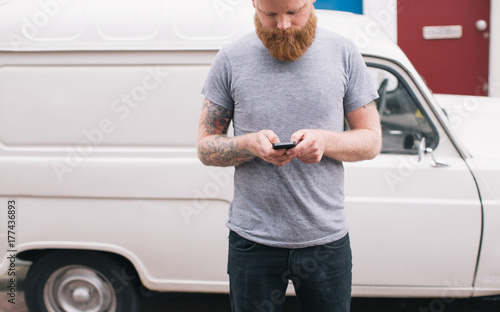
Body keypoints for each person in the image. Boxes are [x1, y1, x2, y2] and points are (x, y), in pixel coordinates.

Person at [197, 0, 381, 311]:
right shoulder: (230, 59)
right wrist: (249, 145)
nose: (282, 25)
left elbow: (371, 141)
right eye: (270, 14)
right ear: (255, 4)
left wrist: (324, 141)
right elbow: (205, 147)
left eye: (294, 12)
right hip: (253, 241)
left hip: (325, 240)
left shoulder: (344, 53)